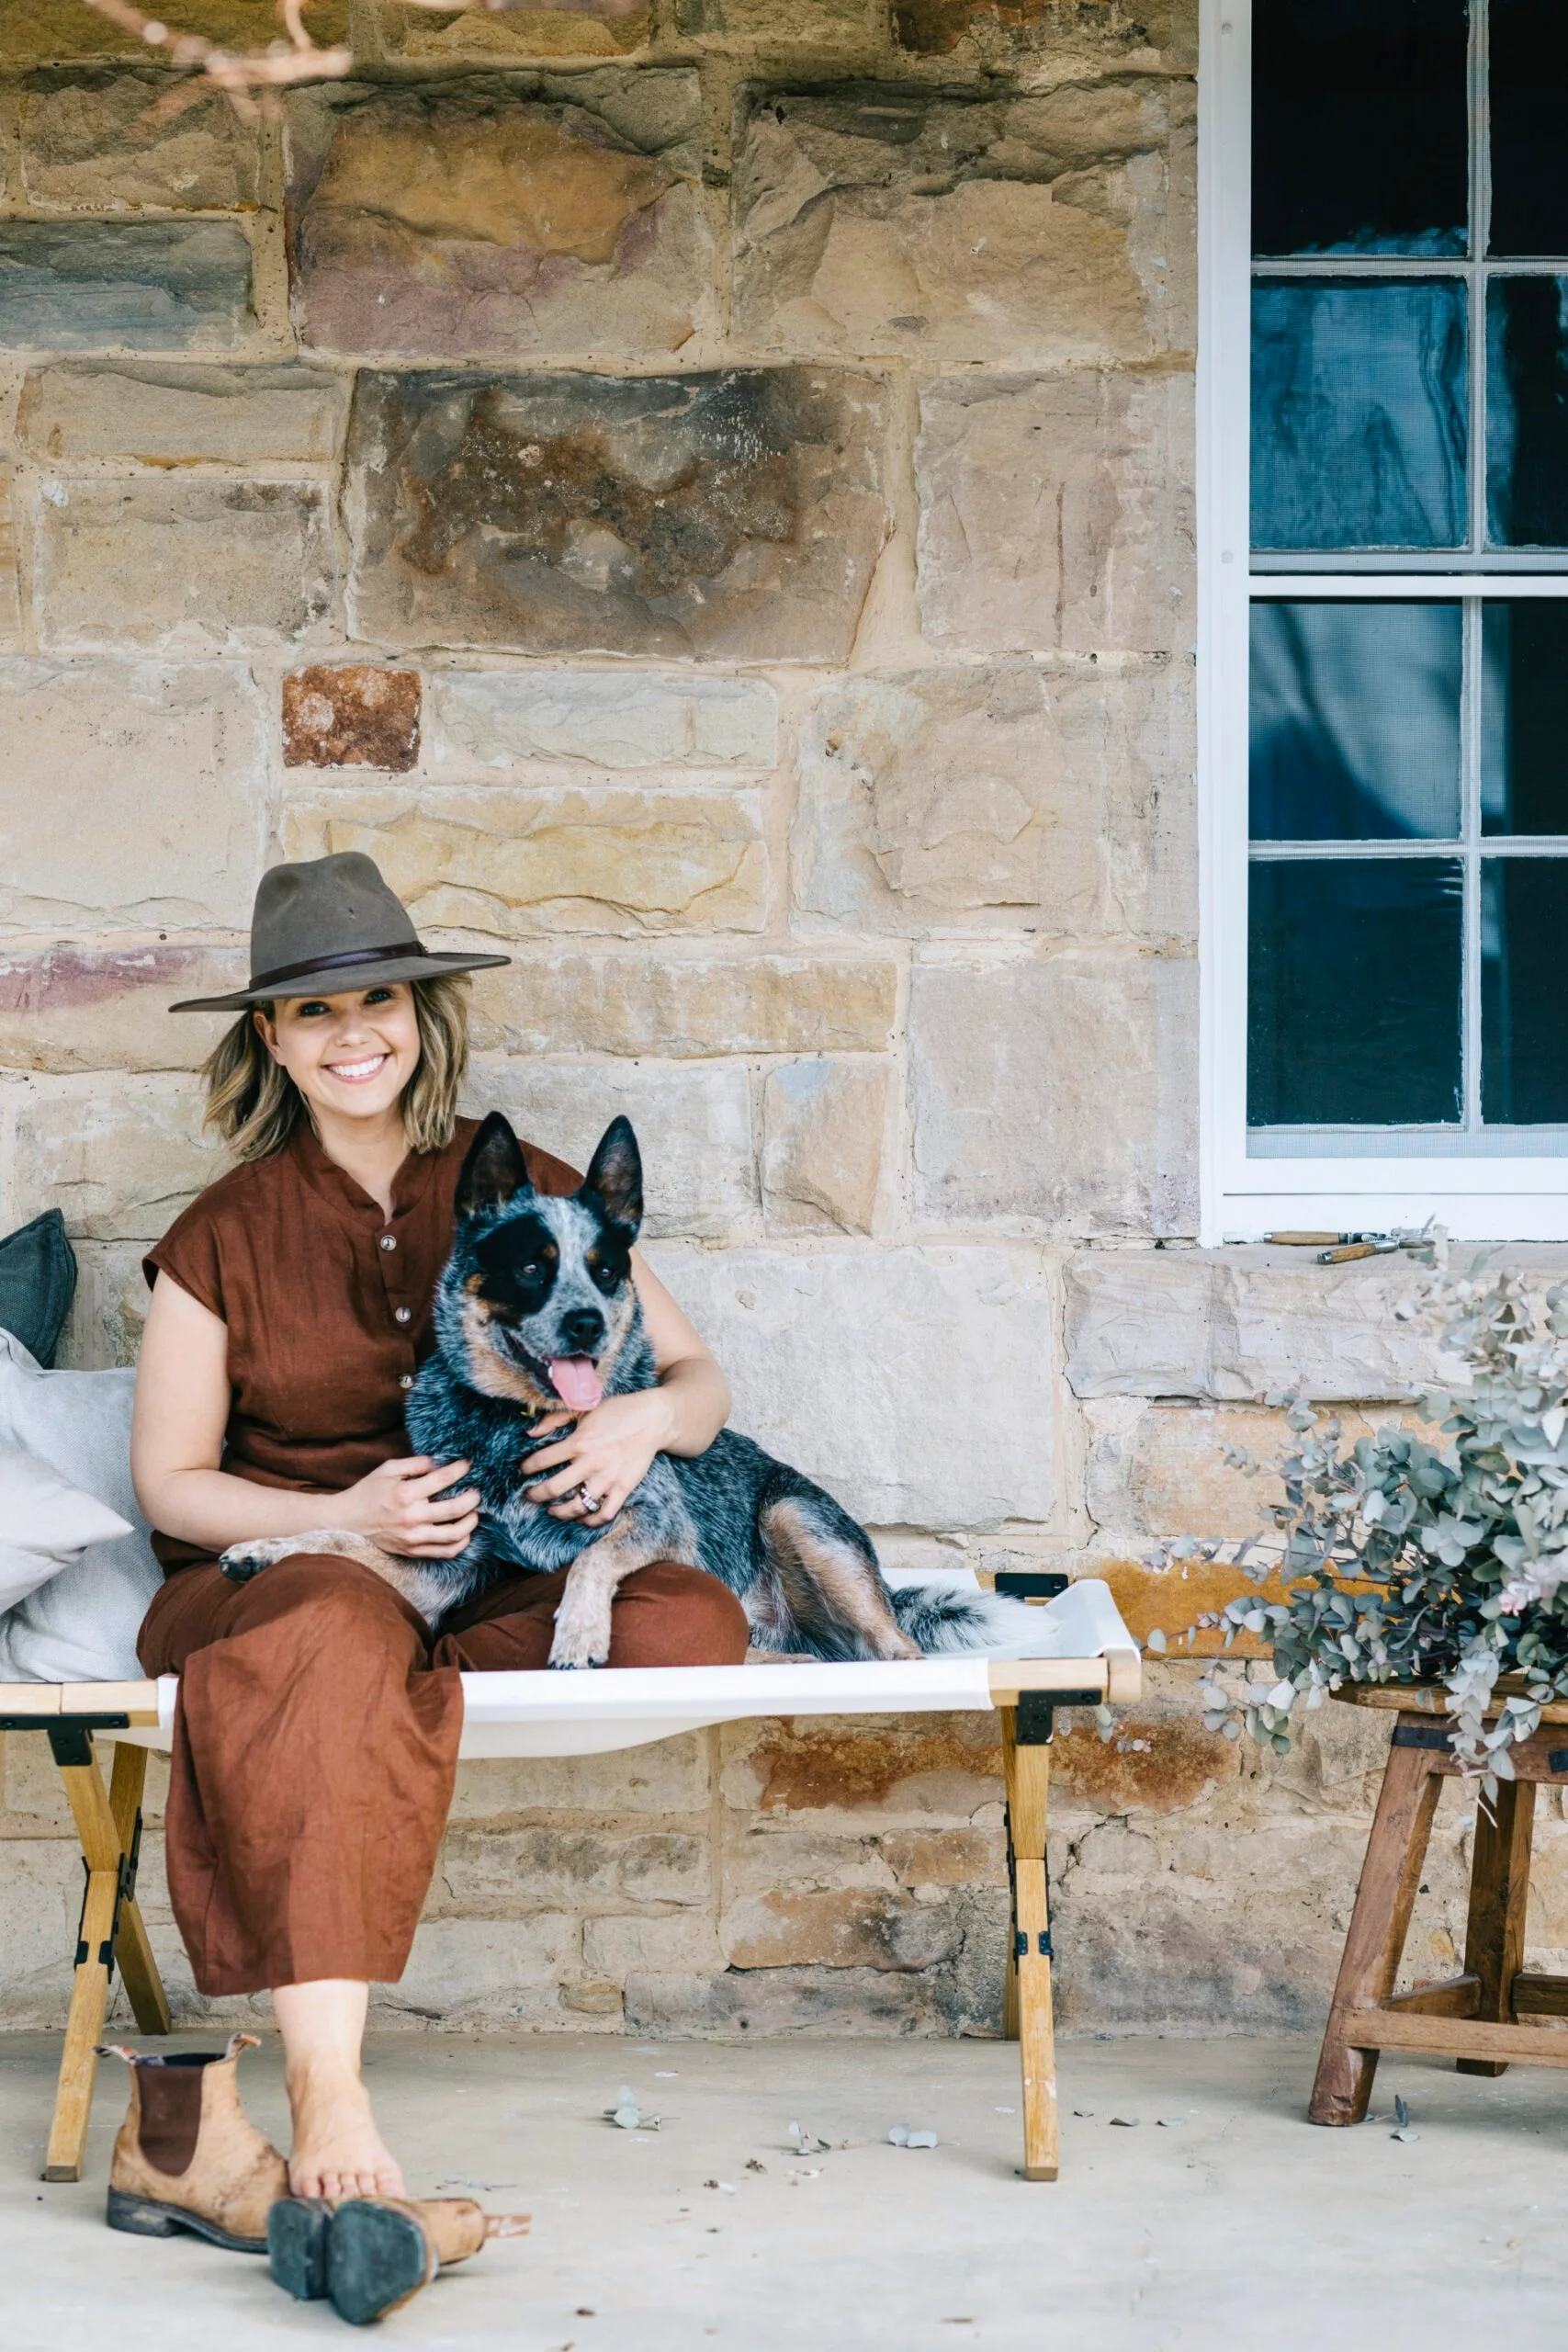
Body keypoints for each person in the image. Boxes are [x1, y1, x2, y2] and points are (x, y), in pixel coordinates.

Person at [130, 852, 749, 2210]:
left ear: (421, 1016)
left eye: (378, 1002)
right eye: (312, 1012)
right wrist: (335, 1513)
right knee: (328, 1636)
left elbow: (699, 1389)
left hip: (497, 1572)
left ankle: (356, 1719)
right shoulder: (221, 1233)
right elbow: (171, 1486)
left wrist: (635, 1426)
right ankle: (326, 2084)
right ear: (270, 1041)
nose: (354, 1034)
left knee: (688, 1618)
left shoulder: (529, 1184)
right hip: (295, 1570)